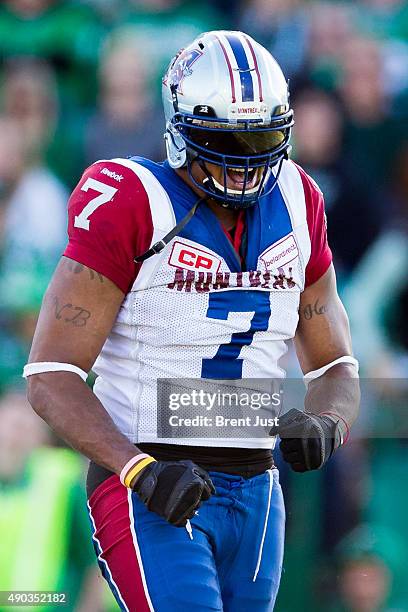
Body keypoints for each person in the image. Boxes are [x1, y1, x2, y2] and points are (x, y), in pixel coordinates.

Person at [25, 30, 360, 611]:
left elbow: (335, 363)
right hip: (152, 478)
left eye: (258, 138)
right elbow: (51, 374)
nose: (242, 159)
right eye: (223, 138)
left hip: (258, 487)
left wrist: (327, 422)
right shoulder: (133, 199)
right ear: (180, 129)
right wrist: (139, 470)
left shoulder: (300, 200)